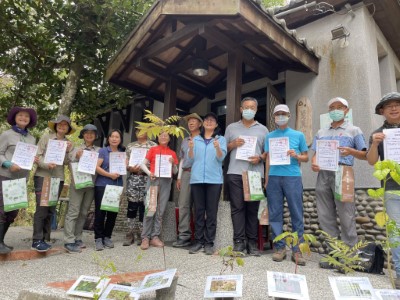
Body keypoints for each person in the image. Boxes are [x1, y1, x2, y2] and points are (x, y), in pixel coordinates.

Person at [311, 97, 367, 268]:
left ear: (346, 110)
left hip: (343, 172)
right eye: (332, 107)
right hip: (323, 174)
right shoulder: (321, 131)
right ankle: (333, 254)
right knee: (325, 215)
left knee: (346, 215)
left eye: (339, 107)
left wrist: (350, 151)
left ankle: (349, 256)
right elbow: (315, 153)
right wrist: (314, 162)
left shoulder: (354, 130)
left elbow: (364, 154)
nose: (335, 110)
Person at [265, 104, 308, 265]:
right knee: (275, 213)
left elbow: (306, 157)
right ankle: (279, 247)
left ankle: (297, 250)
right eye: (277, 114)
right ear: (274, 117)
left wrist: (296, 155)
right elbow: (268, 158)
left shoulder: (298, 135)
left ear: (289, 115)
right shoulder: (270, 136)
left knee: (296, 212)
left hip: (292, 177)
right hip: (274, 177)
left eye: (283, 114)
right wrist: (267, 178)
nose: (280, 116)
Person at [225, 97, 268, 256]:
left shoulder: (263, 129)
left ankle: (252, 242)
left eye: (252, 107)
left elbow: (267, 152)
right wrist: (233, 144)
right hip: (235, 172)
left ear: (256, 110)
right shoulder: (231, 128)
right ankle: (238, 241)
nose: (249, 109)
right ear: (241, 109)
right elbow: (224, 149)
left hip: (255, 174)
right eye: (246, 107)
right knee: (237, 208)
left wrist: (261, 158)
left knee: (252, 209)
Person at [367, 92, 400, 288]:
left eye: (397, 105)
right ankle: (399, 272)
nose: (394, 108)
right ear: (382, 111)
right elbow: (371, 161)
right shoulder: (378, 133)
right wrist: (375, 143)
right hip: (391, 189)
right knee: (396, 233)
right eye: (389, 106)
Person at [32, 115, 74, 252]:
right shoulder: (46, 137)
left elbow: (67, 162)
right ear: (55, 126)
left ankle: (45, 239)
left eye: (65, 125)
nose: (62, 126)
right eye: (59, 124)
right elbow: (36, 156)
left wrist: (68, 150)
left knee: (50, 208)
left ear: (68, 128)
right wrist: (45, 165)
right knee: (42, 208)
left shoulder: (67, 142)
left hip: (58, 178)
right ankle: (36, 240)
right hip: (43, 176)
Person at [187, 112, 227, 255]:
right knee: (198, 211)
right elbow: (190, 159)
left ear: (216, 125)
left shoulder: (220, 139)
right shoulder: (195, 139)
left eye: (212, 120)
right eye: (206, 120)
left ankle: (209, 242)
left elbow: (221, 158)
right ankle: (198, 241)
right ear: (203, 123)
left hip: (214, 180)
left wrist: (217, 147)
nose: (209, 122)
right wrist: (191, 147)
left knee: (211, 212)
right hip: (197, 179)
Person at [0, 107, 38, 254]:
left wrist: (33, 158)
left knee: (13, 211)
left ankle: (2, 241)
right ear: (15, 117)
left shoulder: (31, 138)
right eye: (20, 115)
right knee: (2, 209)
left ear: (30, 120)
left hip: (21, 179)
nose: (23, 118)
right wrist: (8, 164)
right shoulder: (6, 135)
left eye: (26, 116)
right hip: (5, 176)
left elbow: (28, 156)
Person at [63, 124, 100, 253]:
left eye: (92, 133)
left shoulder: (99, 150)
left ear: (95, 136)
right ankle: (69, 240)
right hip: (77, 184)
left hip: (91, 184)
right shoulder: (76, 148)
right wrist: (76, 157)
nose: (89, 135)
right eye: (86, 133)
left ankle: (78, 237)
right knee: (73, 211)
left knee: (84, 212)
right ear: (83, 135)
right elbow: (68, 163)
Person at [139, 131, 178, 250]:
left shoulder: (172, 153)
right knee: (150, 208)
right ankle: (145, 237)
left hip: (166, 182)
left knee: (161, 210)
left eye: (166, 135)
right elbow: (142, 164)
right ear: (158, 137)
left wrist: (173, 164)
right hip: (153, 180)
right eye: (161, 135)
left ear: (169, 138)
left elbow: (175, 172)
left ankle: (155, 236)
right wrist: (149, 173)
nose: (163, 137)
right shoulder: (153, 149)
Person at [173, 113, 203, 248]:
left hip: (199, 173)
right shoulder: (185, 140)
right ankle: (184, 235)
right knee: (184, 204)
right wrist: (179, 177)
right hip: (186, 173)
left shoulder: (204, 139)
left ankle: (199, 236)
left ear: (200, 124)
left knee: (199, 206)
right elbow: (182, 159)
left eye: (194, 121)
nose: (190, 123)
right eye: (189, 121)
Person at [123, 129, 156, 246]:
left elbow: (156, 162)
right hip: (133, 178)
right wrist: (130, 168)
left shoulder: (153, 145)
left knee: (144, 207)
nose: (140, 133)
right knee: (132, 207)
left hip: (147, 179)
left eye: (143, 130)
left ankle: (143, 235)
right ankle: (130, 234)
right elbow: (125, 163)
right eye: (138, 131)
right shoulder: (130, 146)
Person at [94, 129, 125, 251]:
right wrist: (109, 175)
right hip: (102, 184)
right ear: (108, 138)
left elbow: (124, 169)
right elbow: (96, 167)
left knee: (112, 213)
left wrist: (126, 164)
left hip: (116, 186)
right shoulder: (103, 151)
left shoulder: (122, 153)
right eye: (112, 136)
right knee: (100, 213)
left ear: (120, 139)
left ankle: (107, 236)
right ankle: (98, 238)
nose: (114, 139)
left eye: (117, 137)